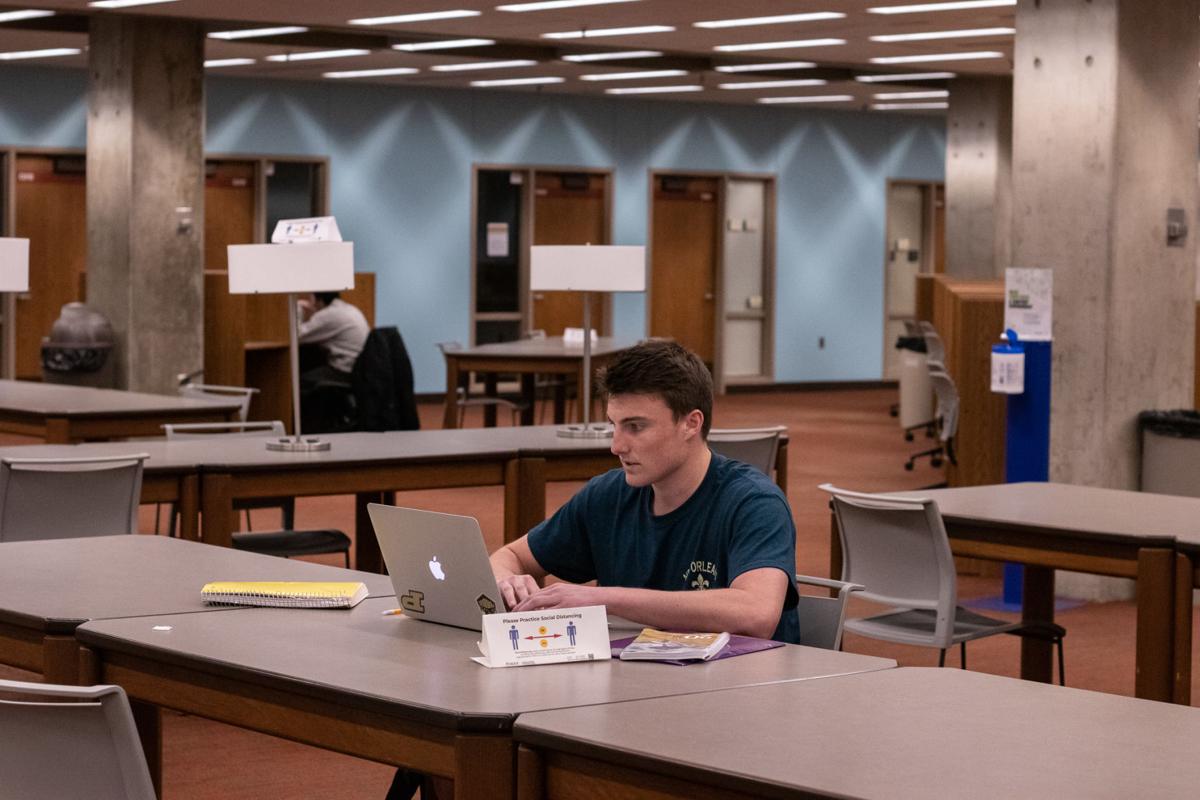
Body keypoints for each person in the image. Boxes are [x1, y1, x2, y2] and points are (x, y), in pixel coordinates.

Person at [491, 339, 800, 643]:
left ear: (691, 424)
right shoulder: (607, 496)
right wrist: (508, 582)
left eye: (635, 427)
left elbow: (757, 613)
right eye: (614, 424)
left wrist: (603, 599)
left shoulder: (753, 502)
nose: (616, 445)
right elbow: (509, 556)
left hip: (741, 688)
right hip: (637, 685)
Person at [296, 291, 369, 390]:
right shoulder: (350, 309)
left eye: (310, 299)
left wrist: (298, 308)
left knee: (301, 381)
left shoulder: (329, 314)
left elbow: (296, 336)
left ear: (319, 300)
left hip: (345, 371)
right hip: (361, 369)